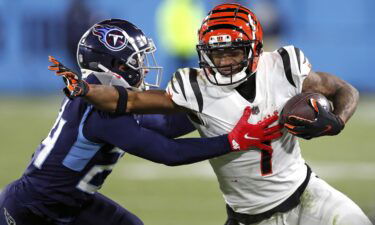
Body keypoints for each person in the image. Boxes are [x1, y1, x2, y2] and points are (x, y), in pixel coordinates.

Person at [52, 4, 372, 225]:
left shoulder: (284, 67)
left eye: (233, 51)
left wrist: (338, 120)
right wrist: (86, 90)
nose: (225, 62)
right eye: (217, 54)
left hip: (309, 195)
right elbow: (131, 102)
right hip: (250, 217)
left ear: (256, 50)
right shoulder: (194, 87)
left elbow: (345, 90)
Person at [0, 19, 283, 225]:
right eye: (136, 61)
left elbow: (164, 125)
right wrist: (231, 141)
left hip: (69, 202)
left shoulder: (105, 94)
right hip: (32, 211)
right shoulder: (99, 109)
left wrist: (218, 106)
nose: (144, 67)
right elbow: (166, 152)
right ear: (113, 66)